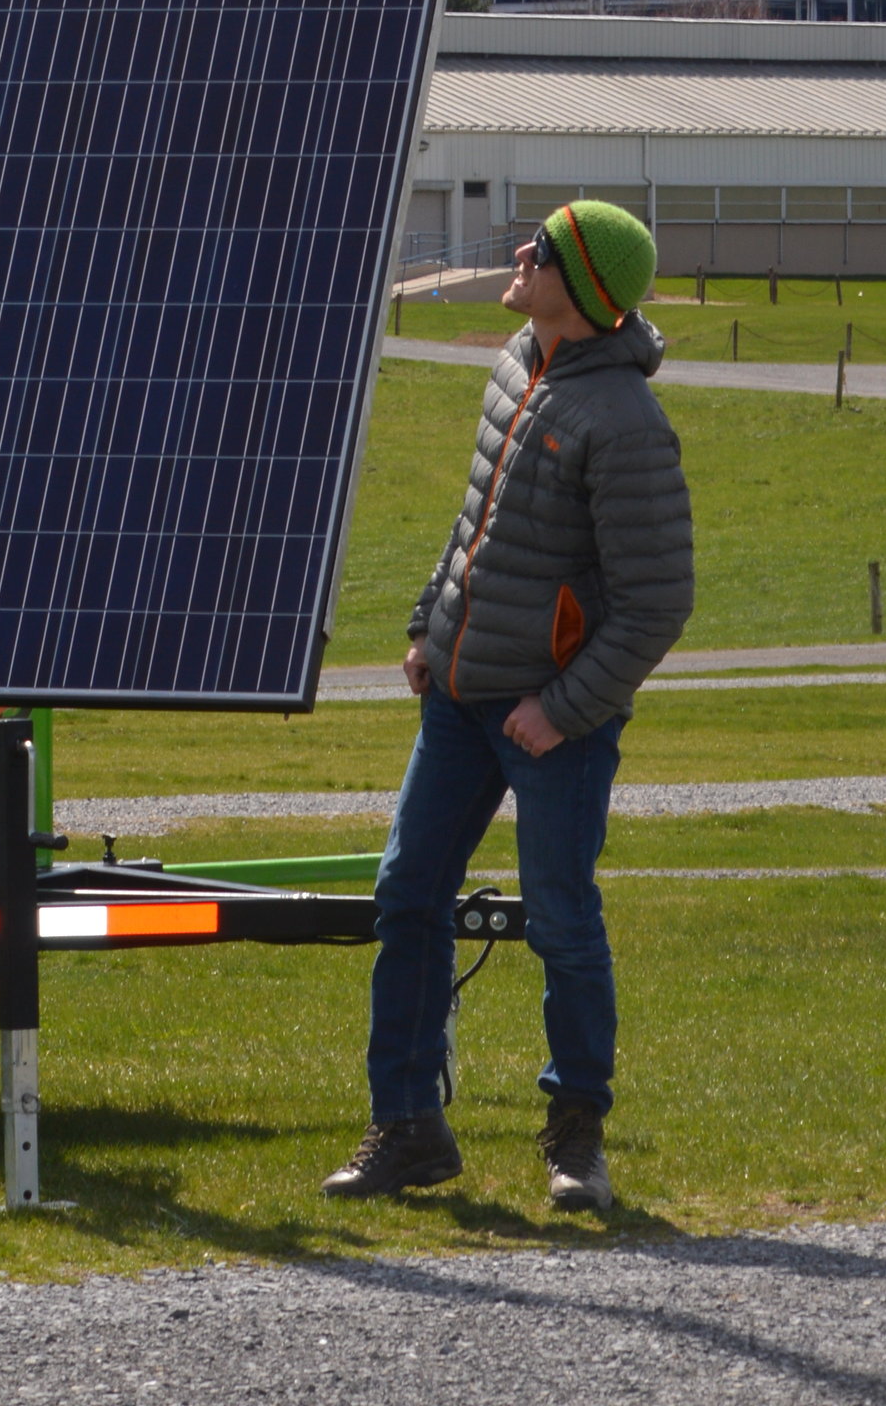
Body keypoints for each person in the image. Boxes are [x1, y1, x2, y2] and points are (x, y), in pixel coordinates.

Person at [323, 196, 693, 1216]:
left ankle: (576, 1139)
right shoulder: (511, 365)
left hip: (548, 719)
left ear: (576, 291)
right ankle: (407, 1127)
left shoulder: (622, 422)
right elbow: (473, 516)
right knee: (405, 894)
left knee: (563, 925)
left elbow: (657, 599)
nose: (519, 252)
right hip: (456, 695)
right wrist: (424, 629)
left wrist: (564, 709)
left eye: (541, 247)